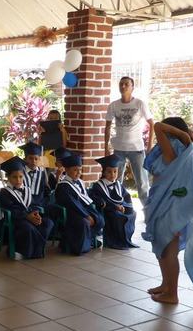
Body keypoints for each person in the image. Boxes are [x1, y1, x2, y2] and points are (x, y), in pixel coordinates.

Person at [142, 117, 193, 304]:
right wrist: (186, 134)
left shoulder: (175, 149)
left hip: (172, 209)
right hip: (167, 204)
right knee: (162, 249)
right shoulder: (190, 148)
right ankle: (166, 285)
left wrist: (182, 134)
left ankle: (172, 293)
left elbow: (158, 126)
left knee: (168, 251)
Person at [104, 76, 154, 204]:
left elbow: (152, 124)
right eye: (121, 84)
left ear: (132, 87)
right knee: (116, 181)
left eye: (126, 84)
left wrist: (149, 146)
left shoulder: (139, 104)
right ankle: (117, 208)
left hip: (136, 149)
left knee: (142, 182)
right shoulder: (114, 105)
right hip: (118, 149)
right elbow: (108, 126)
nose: (123, 86)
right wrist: (106, 147)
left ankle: (148, 213)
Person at [0, 156, 53, 259]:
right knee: (28, 228)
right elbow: (11, 209)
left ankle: (32, 251)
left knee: (48, 223)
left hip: (29, 216)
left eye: (21, 176)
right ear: (8, 177)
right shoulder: (4, 192)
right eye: (14, 177)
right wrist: (27, 216)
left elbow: (31, 205)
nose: (18, 180)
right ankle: (25, 252)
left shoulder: (27, 189)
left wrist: (36, 214)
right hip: (16, 220)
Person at [54, 153, 105, 255]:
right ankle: (79, 247)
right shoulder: (63, 186)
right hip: (71, 212)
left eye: (80, 170)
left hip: (83, 209)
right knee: (84, 222)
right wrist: (86, 215)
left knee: (99, 218)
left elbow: (87, 196)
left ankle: (89, 241)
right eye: (75, 170)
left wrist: (98, 202)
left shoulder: (80, 182)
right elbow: (71, 203)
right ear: (67, 170)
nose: (78, 172)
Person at [89, 154, 138, 250]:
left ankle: (126, 240)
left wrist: (125, 206)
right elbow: (101, 201)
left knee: (132, 213)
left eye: (115, 171)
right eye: (109, 172)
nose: (112, 174)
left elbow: (126, 197)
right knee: (118, 216)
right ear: (104, 172)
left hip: (119, 208)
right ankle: (115, 241)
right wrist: (115, 206)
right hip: (107, 211)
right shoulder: (98, 186)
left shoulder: (118, 184)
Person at [21, 141, 50, 209]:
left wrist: (42, 205)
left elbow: (46, 192)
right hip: (24, 205)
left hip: (40, 205)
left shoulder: (42, 172)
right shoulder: (20, 172)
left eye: (36, 159)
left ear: (39, 160)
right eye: (30, 158)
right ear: (25, 159)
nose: (33, 161)